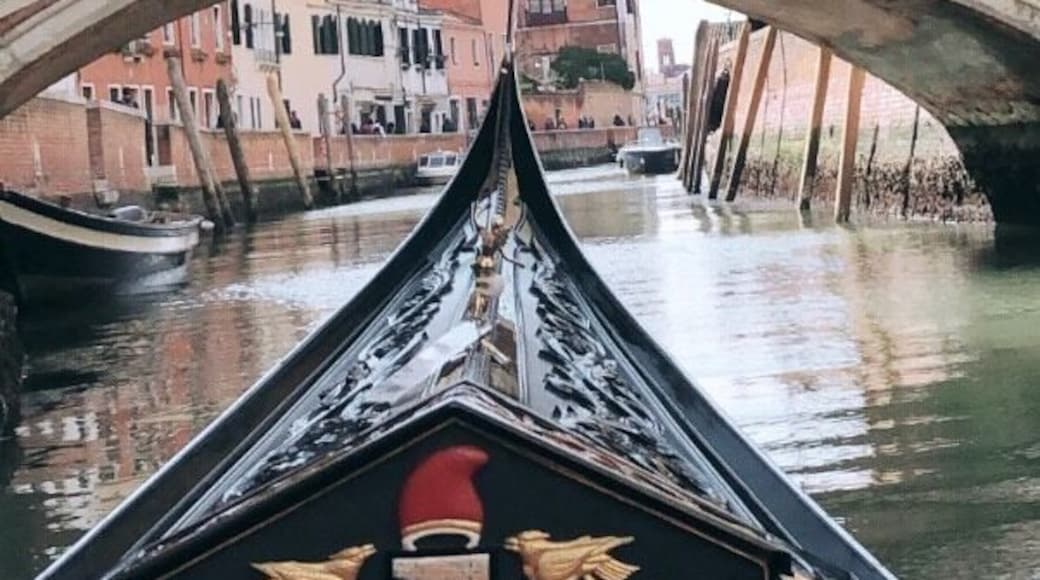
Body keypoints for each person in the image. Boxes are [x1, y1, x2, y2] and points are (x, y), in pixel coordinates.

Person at [708, 65, 731, 134]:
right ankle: (713, 126)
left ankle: (713, 126)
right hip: (719, 100)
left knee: (716, 112)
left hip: (719, 100)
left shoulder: (719, 81)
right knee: (716, 112)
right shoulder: (720, 81)